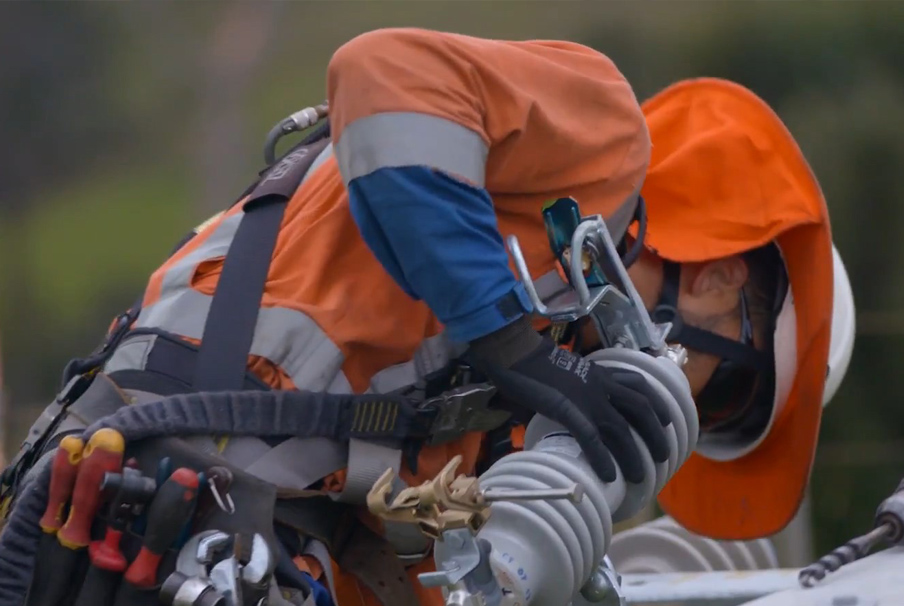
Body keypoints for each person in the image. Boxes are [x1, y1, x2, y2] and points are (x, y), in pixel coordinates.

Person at [0, 29, 853, 606]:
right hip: (142, 479)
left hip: (157, 534)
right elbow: (385, 70)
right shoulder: (600, 148)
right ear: (720, 276)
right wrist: (508, 335)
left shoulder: (481, 411)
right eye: (725, 396)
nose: (683, 420)